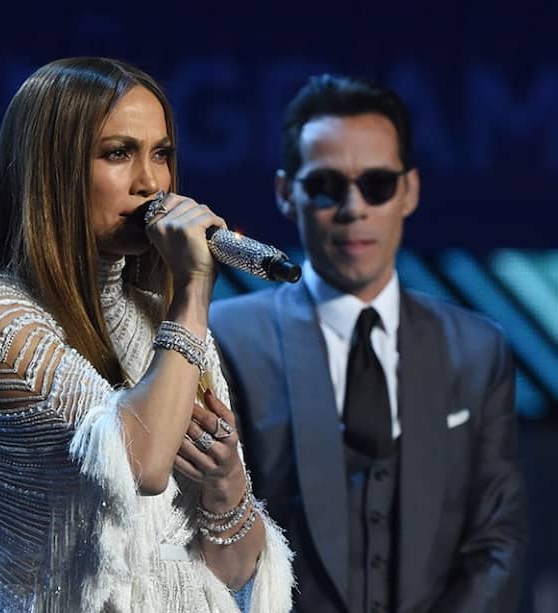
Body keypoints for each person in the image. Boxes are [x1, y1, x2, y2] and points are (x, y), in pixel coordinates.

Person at [0, 57, 293, 612]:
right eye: (119, 153)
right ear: (54, 169)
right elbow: (139, 465)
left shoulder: (162, 321)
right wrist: (192, 288)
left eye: (161, 154)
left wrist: (226, 487)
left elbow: (233, 574)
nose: (151, 183)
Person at [210, 75, 526, 613]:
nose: (354, 207)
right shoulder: (226, 339)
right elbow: (202, 534)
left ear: (410, 190)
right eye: (327, 185)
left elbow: (496, 541)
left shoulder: (476, 349)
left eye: (377, 184)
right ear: (287, 193)